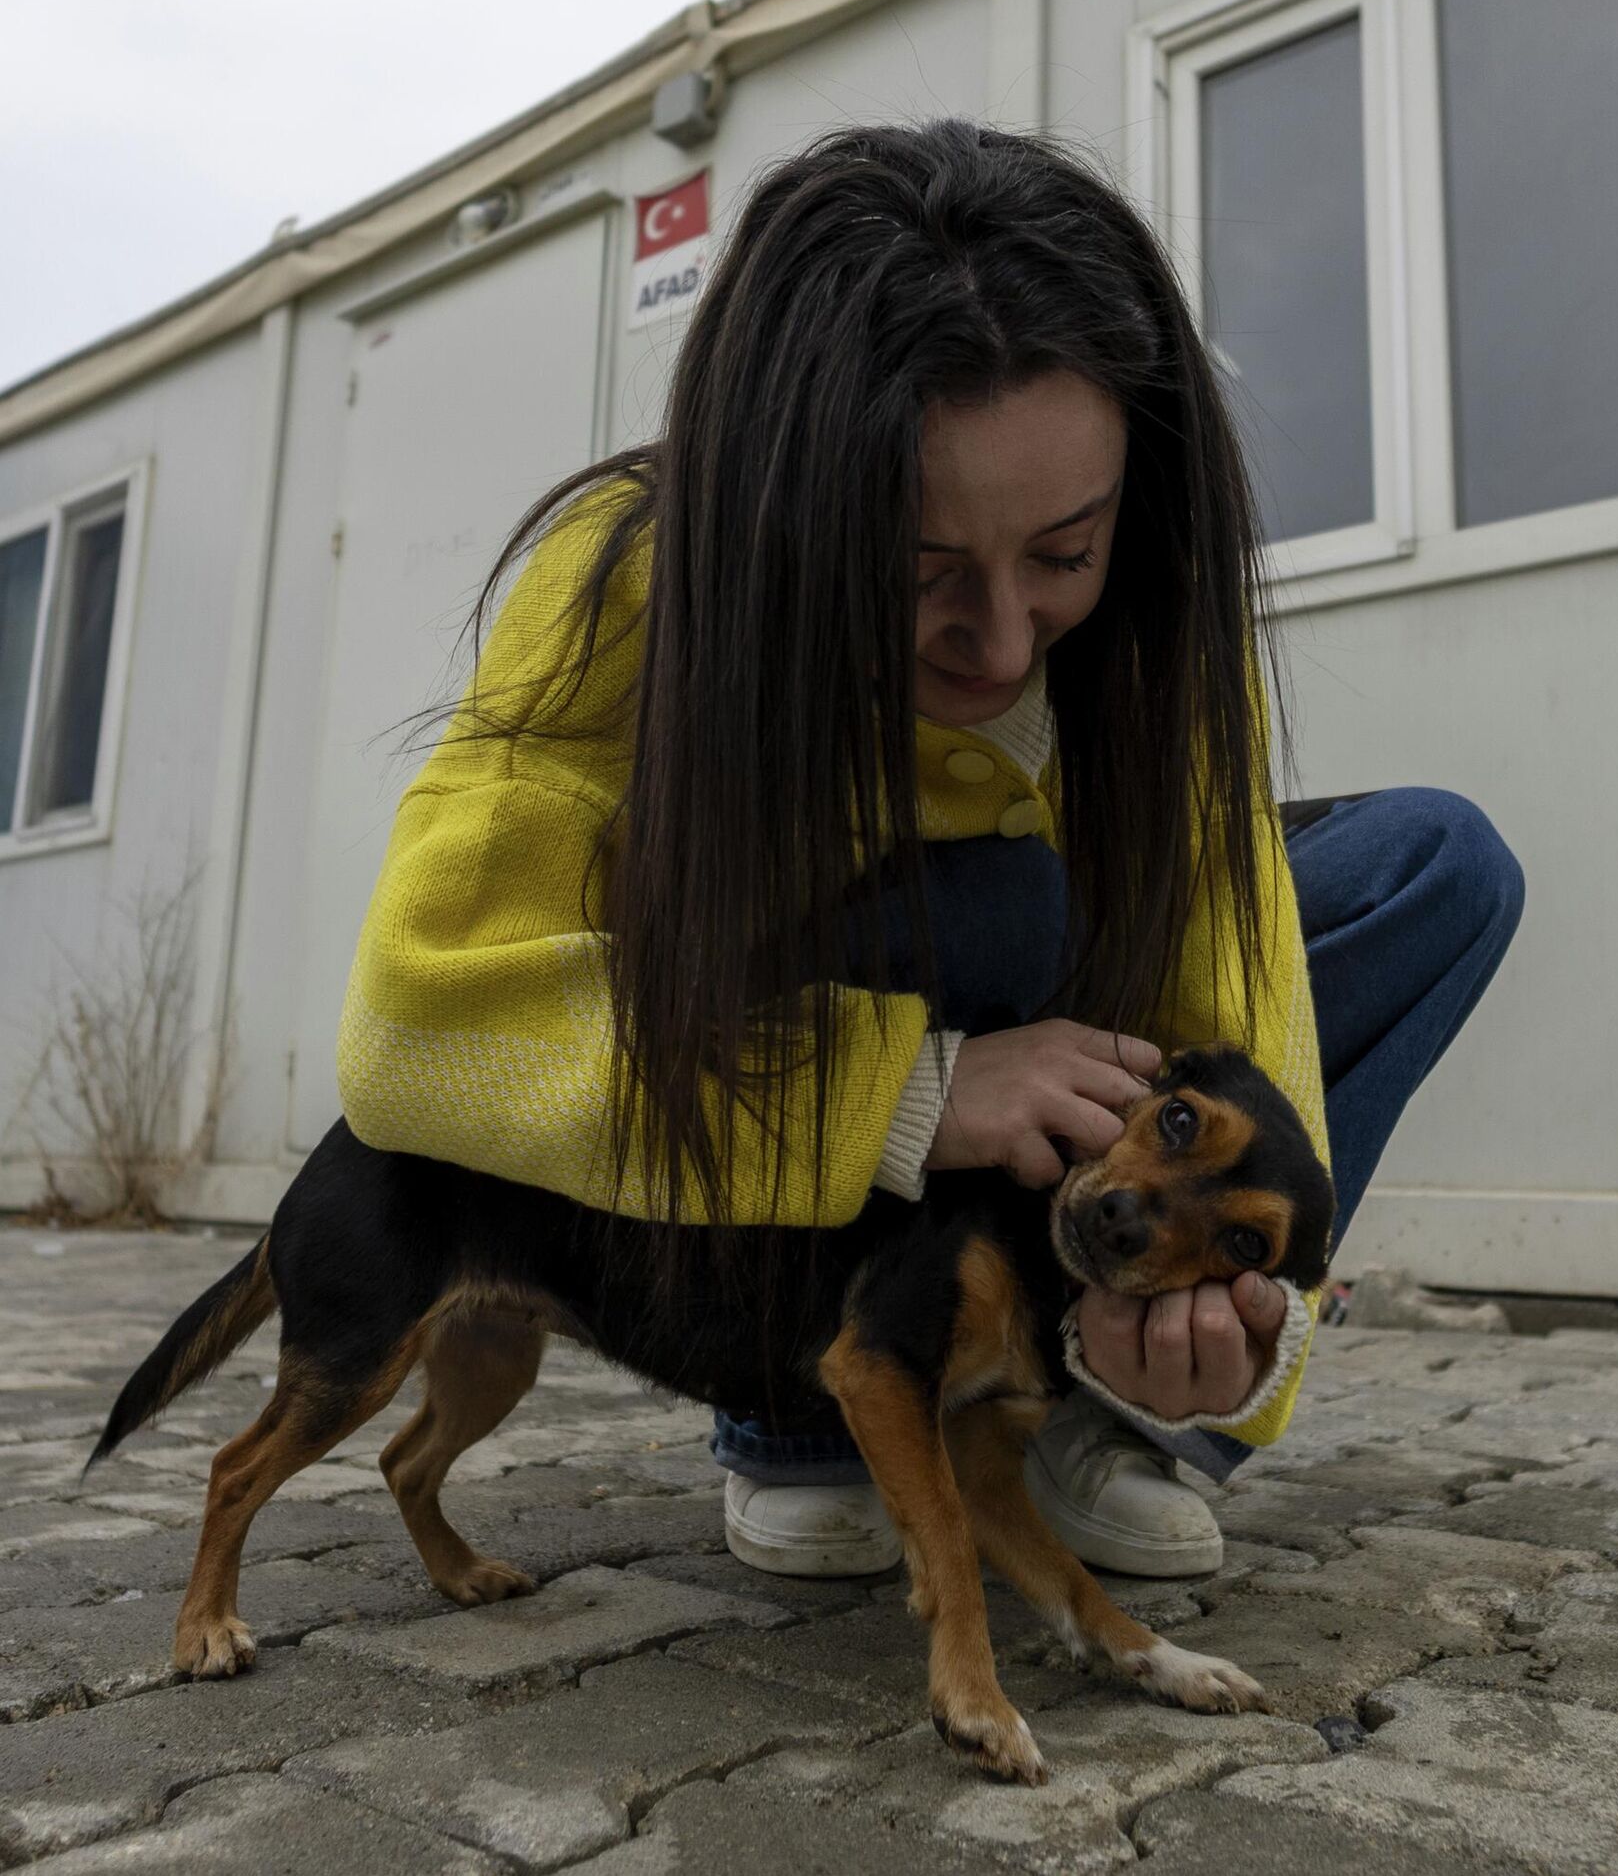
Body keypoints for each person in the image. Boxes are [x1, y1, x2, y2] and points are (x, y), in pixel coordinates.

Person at [336, 116, 1524, 1585]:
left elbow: (1233, 993)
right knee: (994, 907)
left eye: (1064, 555)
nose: (1005, 641)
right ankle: (803, 1410)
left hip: (1052, 1090)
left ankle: (1095, 1395)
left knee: (1436, 868)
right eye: (916, 573)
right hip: (767, 1061)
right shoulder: (628, 582)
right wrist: (908, 1089)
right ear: (774, 515)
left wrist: (1224, 1334)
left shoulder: (1157, 603)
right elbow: (414, 1023)